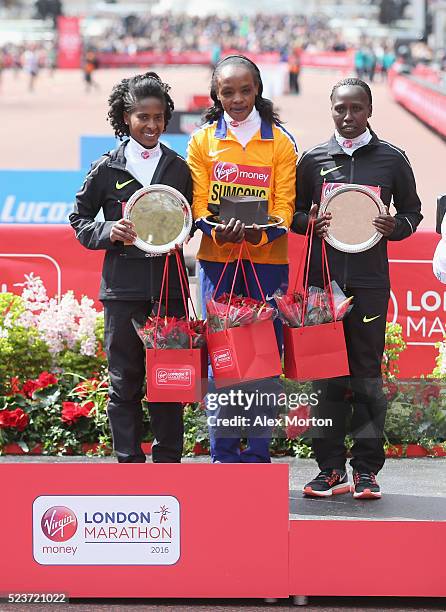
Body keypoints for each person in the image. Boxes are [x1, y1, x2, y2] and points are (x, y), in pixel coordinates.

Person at [292, 77, 422, 498]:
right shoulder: (312, 160)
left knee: (366, 376)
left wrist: (395, 226)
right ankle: (330, 468)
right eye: (340, 109)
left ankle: (366, 469)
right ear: (330, 109)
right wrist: (307, 222)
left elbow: (413, 213)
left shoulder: (391, 159)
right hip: (322, 282)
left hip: (368, 282)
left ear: (369, 111)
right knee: (325, 378)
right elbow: (293, 214)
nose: (348, 117)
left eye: (357, 109)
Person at [70, 72, 193, 463]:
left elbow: (191, 220)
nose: (152, 125)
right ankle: (128, 463)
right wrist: (110, 230)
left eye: (159, 117)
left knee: (169, 379)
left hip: (168, 288)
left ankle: (169, 461)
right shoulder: (106, 168)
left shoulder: (179, 167)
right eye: (143, 117)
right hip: (122, 291)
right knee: (124, 381)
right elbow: (79, 222)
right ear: (126, 118)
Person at [187, 54, 298, 464]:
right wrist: (218, 229)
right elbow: (199, 205)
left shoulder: (281, 141)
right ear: (216, 95)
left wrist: (262, 232)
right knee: (225, 358)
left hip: (268, 264)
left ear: (258, 90)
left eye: (245, 90)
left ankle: (258, 454)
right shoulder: (202, 140)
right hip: (219, 261)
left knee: (264, 361)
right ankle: (224, 456)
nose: (237, 99)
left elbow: (285, 205)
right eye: (227, 91)